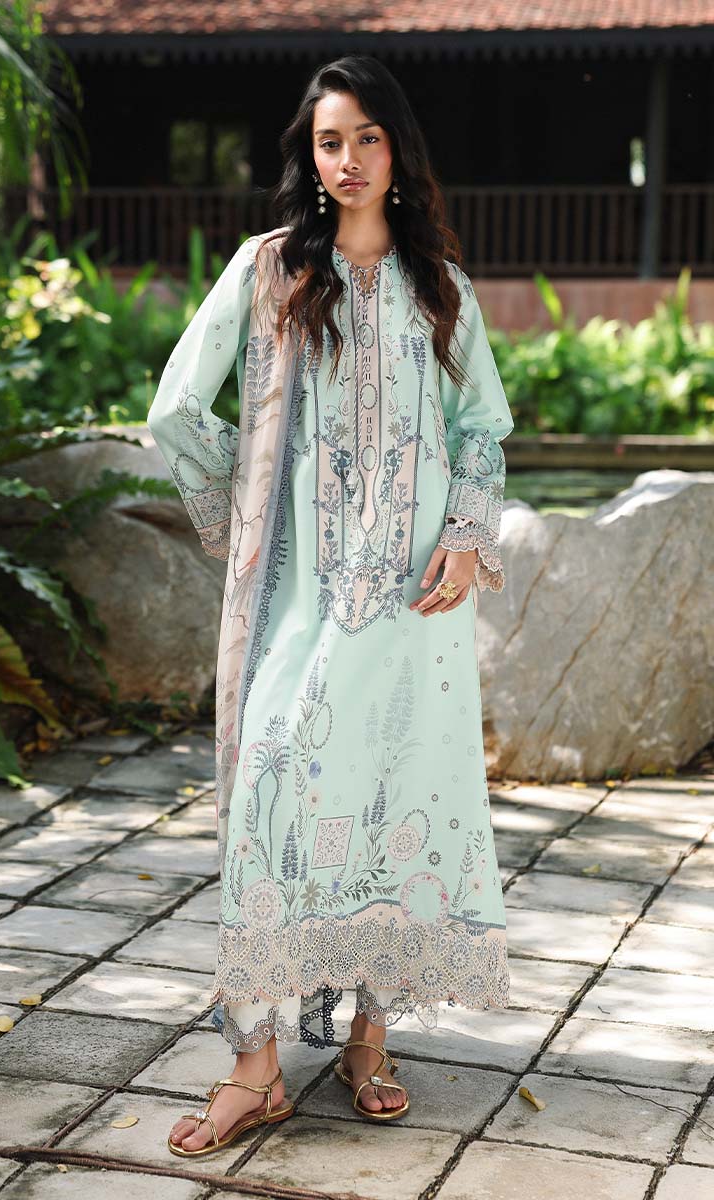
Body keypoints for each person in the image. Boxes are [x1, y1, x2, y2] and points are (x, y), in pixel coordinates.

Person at [146, 54, 514, 1158]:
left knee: (393, 798)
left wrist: (465, 535)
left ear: (397, 150)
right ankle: (256, 1067)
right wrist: (249, 516)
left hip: (412, 609)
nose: (346, 160)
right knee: (271, 793)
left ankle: (366, 1040)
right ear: (307, 158)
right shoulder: (268, 270)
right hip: (299, 604)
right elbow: (176, 406)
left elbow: (482, 429)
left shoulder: (438, 286)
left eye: (365, 138)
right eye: (327, 142)